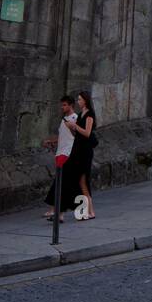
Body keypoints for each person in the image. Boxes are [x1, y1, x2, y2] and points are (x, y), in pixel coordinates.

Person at [42, 96, 78, 223]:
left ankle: (56, 211)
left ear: (71, 105)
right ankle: (57, 212)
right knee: (60, 182)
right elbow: (63, 136)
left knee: (61, 182)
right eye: (61, 105)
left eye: (64, 105)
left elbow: (77, 136)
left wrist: (72, 128)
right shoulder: (64, 120)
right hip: (60, 153)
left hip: (67, 154)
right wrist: (51, 141)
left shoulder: (75, 119)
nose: (62, 107)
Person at [64, 90, 97, 220]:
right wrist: (71, 128)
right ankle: (87, 210)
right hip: (78, 149)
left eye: (79, 100)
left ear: (85, 100)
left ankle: (91, 211)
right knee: (80, 181)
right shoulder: (80, 114)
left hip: (85, 151)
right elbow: (77, 134)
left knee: (83, 180)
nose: (78, 102)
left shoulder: (89, 114)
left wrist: (75, 126)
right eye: (78, 100)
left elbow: (87, 133)